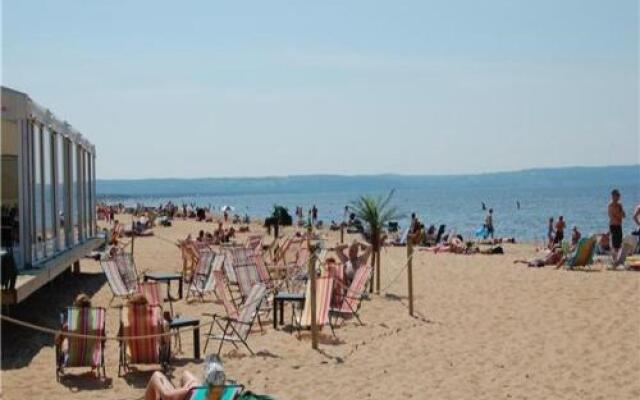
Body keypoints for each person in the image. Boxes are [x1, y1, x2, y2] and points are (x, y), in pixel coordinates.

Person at [608, 189, 625, 261]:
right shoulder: (610, 205)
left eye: (619, 196)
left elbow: (624, 215)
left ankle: (617, 259)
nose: (618, 197)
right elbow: (611, 216)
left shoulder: (619, 205)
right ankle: (614, 259)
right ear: (613, 196)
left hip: (619, 225)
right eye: (617, 195)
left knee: (619, 242)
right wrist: (618, 216)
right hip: (613, 225)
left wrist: (619, 215)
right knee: (614, 243)